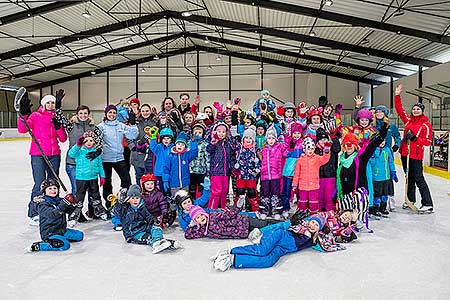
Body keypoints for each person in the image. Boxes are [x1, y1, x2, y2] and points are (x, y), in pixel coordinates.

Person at [211, 214, 345, 271]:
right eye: (313, 222)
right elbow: (279, 226)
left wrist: (341, 239)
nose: (313, 225)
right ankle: (230, 251)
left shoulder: (314, 240)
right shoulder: (298, 225)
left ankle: (234, 260)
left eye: (317, 225)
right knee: (262, 250)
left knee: (268, 261)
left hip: (283, 249)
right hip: (279, 236)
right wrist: (261, 230)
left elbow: (326, 245)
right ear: (309, 221)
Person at [17, 92, 68, 226]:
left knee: (53, 184)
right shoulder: (35, 116)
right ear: (43, 104)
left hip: (54, 154)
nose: (51, 105)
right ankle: (34, 212)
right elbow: (22, 129)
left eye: (53, 103)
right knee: (39, 183)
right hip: (38, 154)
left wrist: (58, 127)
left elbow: (63, 139)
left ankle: (52, 210)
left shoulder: (55, 116)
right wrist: (23, 113)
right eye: (48, 102)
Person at [336, 123, 388, 231]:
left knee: (360, 197)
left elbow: (371, 147)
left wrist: (381, 136)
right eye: (346, 144)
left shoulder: (361, 158)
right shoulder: (341, 159)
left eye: (351, 144)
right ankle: (346, 222)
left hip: (358, 190)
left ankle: (359, 220)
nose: (349, 146)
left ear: (355, 146)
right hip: (346, 192)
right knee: (343, 201)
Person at [394, 85, 433, 213]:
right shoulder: (408, 121)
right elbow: (400, 110)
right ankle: (410, 200)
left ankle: (427, 203)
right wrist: (397, 95)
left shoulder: (425, 125)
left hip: (415, 156)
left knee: (418, 178)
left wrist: (415, 138)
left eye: (418, 109)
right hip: (405, 154)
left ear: (422, 111)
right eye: (414, 109)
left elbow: (428, 142)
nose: (415, 110)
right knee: (408, 178)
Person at [113, 185, 181, 253]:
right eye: (132, 198)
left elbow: (148, 216)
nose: (135, 200)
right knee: (148, 237)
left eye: (137, 198)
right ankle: (155, 243)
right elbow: (117, 211)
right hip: (133, 233)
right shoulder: (125, 209)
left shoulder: (142, 207)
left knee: (156, 227)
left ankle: (159, 240)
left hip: (143, 227)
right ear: (128, 199)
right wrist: (119, 203)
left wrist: (153, 220)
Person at [55, 104, 102, 197]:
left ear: (89, 114)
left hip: (88, 164)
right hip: (73, 164)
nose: (83, 115)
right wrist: (58, 107)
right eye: (80, 113)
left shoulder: (94, 128)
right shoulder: (71, 126)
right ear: (77, 114)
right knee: (76, 189)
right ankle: (76, 210)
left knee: (91, 189)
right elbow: (60, 118)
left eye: (85, 113)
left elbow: (100, 142)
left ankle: (91, 210)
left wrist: (98, 151)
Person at [97, 105, 138, 208]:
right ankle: (109, 204)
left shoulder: (120, 125)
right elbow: (96, 141)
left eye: (114, 113)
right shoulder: (101, 127)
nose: (112, 115)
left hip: (119, 157)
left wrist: (133, 124)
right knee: (107, 182)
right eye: (110, 112)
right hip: (106, 158)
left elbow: (133, 135)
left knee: (126, 180)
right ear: (106, 114)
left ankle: (125, 200)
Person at [26, 179, 83, 252]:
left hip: (61, 230)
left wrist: (75, 205)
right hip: (50, 233)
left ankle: (60, 237)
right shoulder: (42, 204)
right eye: (50, 188)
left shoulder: (59, 200)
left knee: (79, 236)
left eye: (55, 188)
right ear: (44, 191)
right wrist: (65, 203)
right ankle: (39, 246)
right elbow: (53, 214)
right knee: (65, 245)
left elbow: (69, 211)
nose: (53, 190)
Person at [67, 131, 108, 227]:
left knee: (95, 196)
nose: (89, 142)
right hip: (81, 179)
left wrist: (102, 176)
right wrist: (77, 145)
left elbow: (100, 165)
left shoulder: (96, 153)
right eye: (86, 141)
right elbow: (71, 154)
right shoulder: (79, 151)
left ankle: (100, 212)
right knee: (79, 197)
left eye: (91, 140)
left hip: (93, 178)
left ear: (94, 142)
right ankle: (74, 216)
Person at [184, 205, 282, 240]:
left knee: (263, 223)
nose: (201, 218)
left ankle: (285, 224)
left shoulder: (213, 216)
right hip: (243, 233)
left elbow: (229, 215)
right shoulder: (202, 231)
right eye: (197, 218)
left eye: (201, 215)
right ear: (195, 221)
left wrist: (237, 207)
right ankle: (283, 228)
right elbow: (188, 236)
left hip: (244, 221)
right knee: (265, 230)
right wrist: (190, 226)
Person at [292, 137, 331, 213]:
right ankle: (301, 216)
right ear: (304, 149)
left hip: (314, 186)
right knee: (302, 202)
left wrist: (326, 150)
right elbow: (296, 173)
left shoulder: (317, 158)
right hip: (303, 186)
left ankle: (313, 216)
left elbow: (325, 159)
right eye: (308, 148)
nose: (310, 150)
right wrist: (294, 184)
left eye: (312, 149)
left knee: (314, 202)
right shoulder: (300, 160)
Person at [259, 125, 289, 219]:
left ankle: (276, 211)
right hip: (264, 176)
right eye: (269, 138)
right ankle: (265, 211)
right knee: (265, 194)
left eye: (273, 138)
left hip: (275, 175)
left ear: (276, 139)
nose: (271, 140)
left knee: (275, 194)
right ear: (266, 138)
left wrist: (286, 136)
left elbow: (286, 150)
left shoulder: (279, 148)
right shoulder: (263, 149)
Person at [206, 122, 239, 209]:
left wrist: (233, 168)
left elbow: (231, 157)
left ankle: (223, 207)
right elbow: (208, 150)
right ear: (215, 132)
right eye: (219, 131)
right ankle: (212, 209)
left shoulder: (228, 144)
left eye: (223, 132)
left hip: (225, 172)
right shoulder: (214, 143)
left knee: (224, 191)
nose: (221, 134)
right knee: (217, 191)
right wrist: (213, 142)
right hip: (216, 172)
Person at [233, 126, 261, 212]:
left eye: (250, 138)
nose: (248, 140)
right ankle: (237, 209)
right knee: (240, 191)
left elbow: (260, 161)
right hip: (241, 175)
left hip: (251, 175)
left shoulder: (256, 150)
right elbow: (233, 158)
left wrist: (257, 169)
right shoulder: (239, 149)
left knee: (251, 192)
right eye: (246, 138)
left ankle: (255, 209)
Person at [163, 131, 199, 197]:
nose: (180, 146)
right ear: (175, 145)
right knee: (175, 198)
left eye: (182, 145)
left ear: (185, 147)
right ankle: (174, 207)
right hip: (174, 184)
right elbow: (166, 169)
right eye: (178, 144)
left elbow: (194, 153)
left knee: (184, 198)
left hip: (185, 183)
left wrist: (193, 143)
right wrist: (165, 180)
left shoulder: (186, 155)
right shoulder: (170, 156)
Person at [369, 140, 398, 219]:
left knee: (384, 194)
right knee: (377, 194)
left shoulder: (387, 150)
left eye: (384, 141)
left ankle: (383, 208)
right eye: (380, 141)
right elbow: (371, 163)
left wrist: (393, 171)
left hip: (386, 177)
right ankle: (376, 208)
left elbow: (391, 161)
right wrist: (373, 157)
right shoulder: (373, 150)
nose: (382, 142)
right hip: (377, 177)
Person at [129, 104, 157, 184]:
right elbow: (128, 136)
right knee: (139, 176)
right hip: (138, 154)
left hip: (151, 155)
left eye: (147, 111)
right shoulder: (135, 122)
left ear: (150, 111)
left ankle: (150, 195)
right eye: (143, 111)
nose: (145, 113)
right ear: (140, 112)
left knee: (150, 177)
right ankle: (140, 194)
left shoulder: (155, 122)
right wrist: (133, 147)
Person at [280, 122, 304, 217]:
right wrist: (289, 151)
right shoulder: (287, 141)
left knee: (299, 192)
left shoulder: (303, 143)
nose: (297, 135)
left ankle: (299, 208)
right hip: (288, 170)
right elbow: (283, 153)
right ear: (291, 133)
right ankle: (285, 208)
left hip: (299, 171)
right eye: (295, 133)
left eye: (298, 133)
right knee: (286, 190)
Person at [315, 128, 341, 211]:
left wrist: (334, 138)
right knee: (320, 195)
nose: (323, 141)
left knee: (328, 195)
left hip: (330, 175)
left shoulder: (332, 148)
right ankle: (319, 210)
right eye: (321, 139)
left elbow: (337, 149)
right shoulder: (316, 150)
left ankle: (330, 210)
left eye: (325, 139)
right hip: (319, 176)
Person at [147, 127, 174, 194]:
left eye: (168, 138)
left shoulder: (174, 148)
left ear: (171, 139)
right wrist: (153, 137)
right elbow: (152, 147)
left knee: (170, 189)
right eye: (164, 138)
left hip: (170, 173)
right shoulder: (159, 147)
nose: (166, 140)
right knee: (161, 190)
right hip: (159, 173)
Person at [189, 121, 210, 199]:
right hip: (191, 170)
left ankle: (201, 202)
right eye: (196, 132)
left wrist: (208, 170)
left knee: (201, 187)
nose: (197, 134)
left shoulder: (205, 144)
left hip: (201, 170)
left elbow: (207, 158)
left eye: (200, 132)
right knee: (192, 188)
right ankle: (192, 201)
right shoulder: (189, 143)